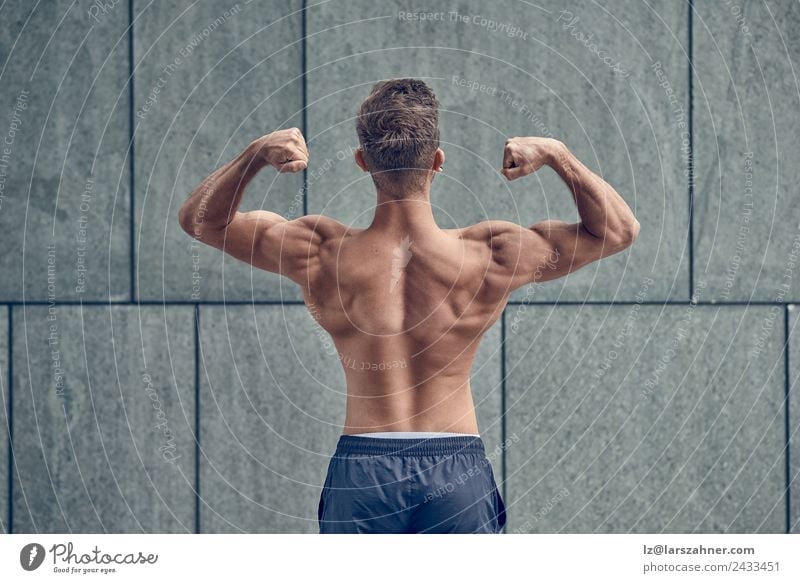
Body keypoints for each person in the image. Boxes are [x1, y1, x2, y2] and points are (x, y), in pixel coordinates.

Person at [178, 78, 639, 533]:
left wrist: (256, 154)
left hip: (362, 472)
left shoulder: (319, 251)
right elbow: (618, 231)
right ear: (438, 161)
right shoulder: (490, 254)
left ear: (362, 161)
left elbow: (201, 221)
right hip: (456, 469)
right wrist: (558, 155)